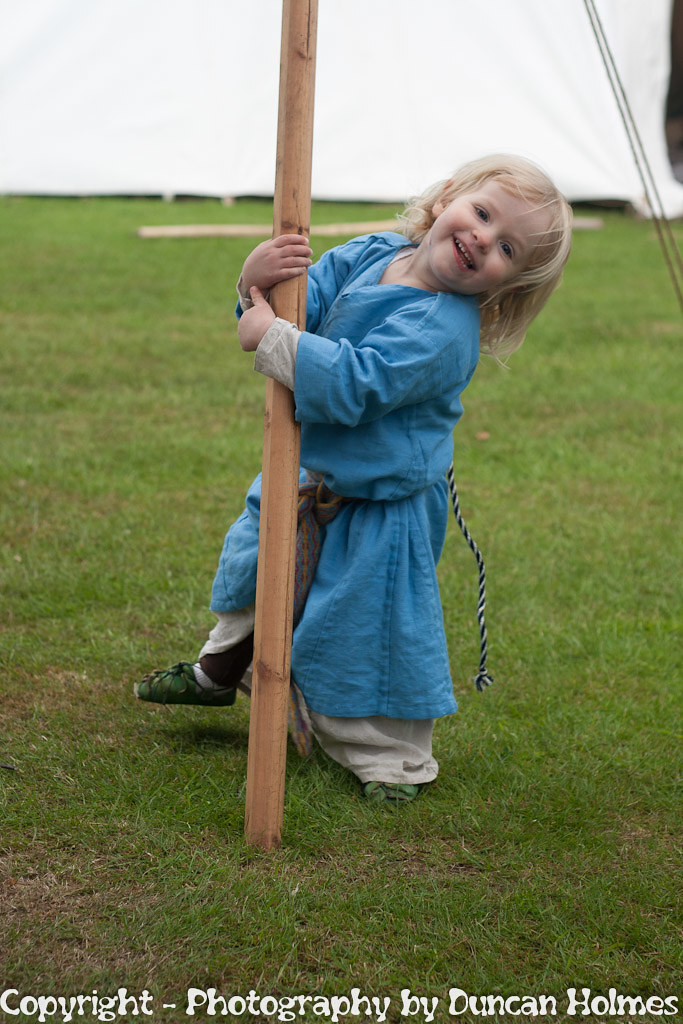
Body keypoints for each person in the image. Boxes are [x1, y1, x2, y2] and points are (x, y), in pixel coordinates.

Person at [135, 154, 572, 805]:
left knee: (362, 633)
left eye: (505, 246)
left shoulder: (444, 329)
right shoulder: (375, 252)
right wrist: (253, 284)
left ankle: (393, 761)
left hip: (379, 506)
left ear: (506, 284)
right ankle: (218, 670)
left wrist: (273, 341)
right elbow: (299, 302)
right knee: (256, 572)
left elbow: (355, 384)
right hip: (309, 476)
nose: (481, 238)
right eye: (481, 214)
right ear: (447, 196)